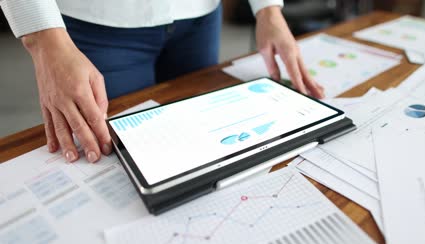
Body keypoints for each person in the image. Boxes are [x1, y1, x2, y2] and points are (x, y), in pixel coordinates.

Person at [1, 0, 325, 164]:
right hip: (100, 24)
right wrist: (43, 37)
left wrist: (268, 9)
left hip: (199, 18)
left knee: (202, 143)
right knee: (113, 157)